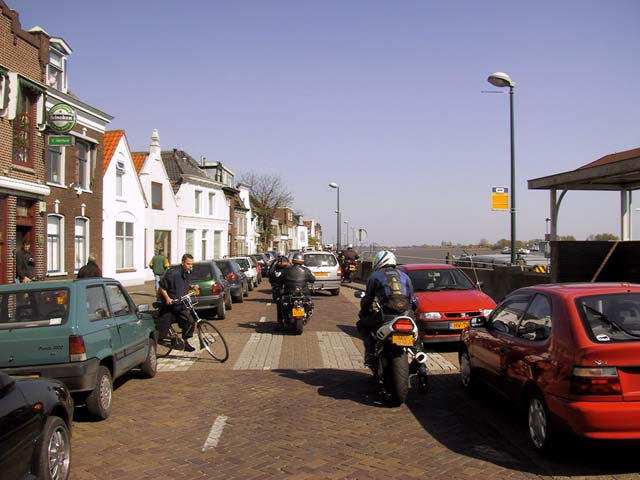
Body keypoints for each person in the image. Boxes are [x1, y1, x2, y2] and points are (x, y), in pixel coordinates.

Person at [357, 250, 418, 367]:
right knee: (416, 330)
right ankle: (419, 354)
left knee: (362, 325)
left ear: (379, 261)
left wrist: (363, 313)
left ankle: (370, 354)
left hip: (386, 315)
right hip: (406, 313)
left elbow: (368, 299)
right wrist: (413, 312)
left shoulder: (375, 276)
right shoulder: (405, 276)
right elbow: (413, 299)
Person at [157, 254, 196, 352]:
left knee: (190, 322)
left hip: (181, 304)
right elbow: (162, 287)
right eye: (188, 264)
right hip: (170, 306)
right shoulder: (173, 273)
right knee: (161, 331)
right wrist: (167, 299)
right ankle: (170, 339)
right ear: (183, 263)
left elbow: (185, 285)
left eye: (192, 264)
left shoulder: (187, 272)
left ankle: (185, 343)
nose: (190, 266)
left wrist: (192, 287)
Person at [275, 252, 315, 329]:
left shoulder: (286, 269)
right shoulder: (306, 270)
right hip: (303, 293)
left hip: (289, 293)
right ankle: (308, 313)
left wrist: (279, 285)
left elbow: (279, 280)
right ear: (302, 261)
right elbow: (312, 280)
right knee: (310, 304)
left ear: (293, 260)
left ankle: (280, 323)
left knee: (279, 303)